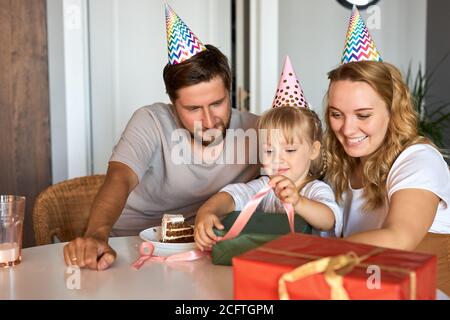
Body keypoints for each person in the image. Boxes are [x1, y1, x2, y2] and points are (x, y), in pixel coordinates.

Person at [63, 5, 259, 270]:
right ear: (172, 103)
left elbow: (304, 167)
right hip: (130, 247)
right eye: (192, 109)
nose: (210, 120)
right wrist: (97, 234)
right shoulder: (151, 121)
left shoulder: (256, 131)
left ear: (229, 91)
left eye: (217, 103)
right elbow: (120, 178)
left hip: (200, 253)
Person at [325, 5, 450, 295]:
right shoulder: (342, 160)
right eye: (336, 114)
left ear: (392, 111)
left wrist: (312, 254)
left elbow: (399, 236)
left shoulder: (419, 160)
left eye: (363, 115)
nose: (347, 129)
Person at [194, 57, 343, 251]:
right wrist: (207, 212)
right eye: (269, 150)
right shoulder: (266, 186)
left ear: (313, 150)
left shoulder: (315, 190)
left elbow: (329, 219)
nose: (277, 158)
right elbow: (232, 195)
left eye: (289, 150)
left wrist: (298, 202)